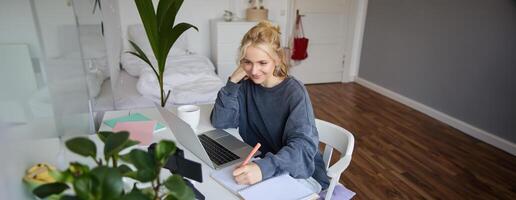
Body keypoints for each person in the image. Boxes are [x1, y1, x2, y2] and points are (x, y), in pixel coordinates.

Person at [210, 21, 330, 191]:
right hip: (263, 166)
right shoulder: (244, 86)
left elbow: (303, 148)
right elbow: (221, 122)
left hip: (299, 173)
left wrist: (264, 168)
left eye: (262, 63)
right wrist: (233, 81)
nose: (254, 71)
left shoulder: (294, 92)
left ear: (277, 59)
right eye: (247, 62)